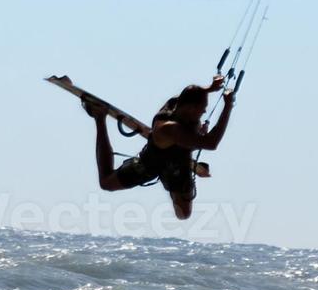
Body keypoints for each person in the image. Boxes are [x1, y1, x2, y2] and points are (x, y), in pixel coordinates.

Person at [84, 76, 235, 221]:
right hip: (149, 164)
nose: (204, 112)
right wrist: (228, 106)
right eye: (202, 108)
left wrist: (209, 89)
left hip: (176, 164)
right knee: (106, 183)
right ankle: (99, 117)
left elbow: (186, 95)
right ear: (189, 108)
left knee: (184, 214)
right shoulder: (170, 128)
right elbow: (211, 143)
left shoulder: (176, 104)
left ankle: (176, 178)